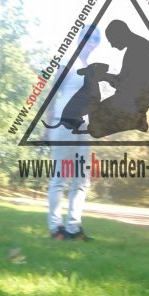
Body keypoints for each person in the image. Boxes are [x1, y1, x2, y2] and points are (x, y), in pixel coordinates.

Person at [46, 27, 102, 240]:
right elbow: (53, 91)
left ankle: (73, 228)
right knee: (60, 177)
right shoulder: (68, 62)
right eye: (88, 37)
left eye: (96, 38)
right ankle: (55, 228)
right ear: (80, 38)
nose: (92, 41)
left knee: (82, 179)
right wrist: (48, 119)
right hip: (64, 123)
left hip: (84, 128)